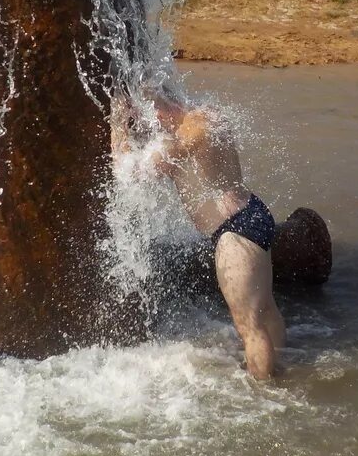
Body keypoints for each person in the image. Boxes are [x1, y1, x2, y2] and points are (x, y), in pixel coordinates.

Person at [113, 92, 286, 380]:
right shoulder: (206, 115)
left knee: (248, 325)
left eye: (146, 114)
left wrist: (117, 128)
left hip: (235, 235)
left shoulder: (186, 134)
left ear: (161, 110)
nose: (145, 123)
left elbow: (127, 173)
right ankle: (281, 369)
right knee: (264, 308)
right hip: (251, 215)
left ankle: (266, 394)